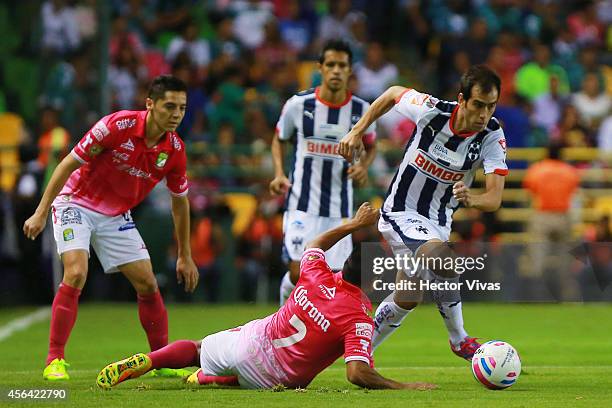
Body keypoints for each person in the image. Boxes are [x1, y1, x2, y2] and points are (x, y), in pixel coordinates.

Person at [96, 203, 436, 391]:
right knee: (233, 379)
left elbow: (314, 245)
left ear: (345, 264)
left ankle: (151, 360)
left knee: (198, 350)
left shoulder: (316, 272)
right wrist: (406, 387)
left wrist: (352, 225)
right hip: (276, 380)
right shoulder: (358, 317)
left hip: (253, 342)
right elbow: (357, 373)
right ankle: (212, 380)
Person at [23, 75, 199, 380]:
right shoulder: (117, 126)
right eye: (169, 106)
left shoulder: (174, 150)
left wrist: (185, 254)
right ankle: (55, 360)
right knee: (76, 272)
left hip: (116, 215)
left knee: (147, 283)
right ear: (150, 104)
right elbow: (67, 164)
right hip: (75, 202)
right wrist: (40, 212)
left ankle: (160, 360)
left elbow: (180, 203)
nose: (176, 114)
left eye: (181, 108)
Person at [339, 65, 508, 361]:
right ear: (462, 100)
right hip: (401, 212)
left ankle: (359, 353)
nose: (484, 114)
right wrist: (357, 130)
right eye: (478, 105)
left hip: (438, 221)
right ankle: (460, 339)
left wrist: (473, 198)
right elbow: (392, 94)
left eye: (491, 106)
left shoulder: (492, 136)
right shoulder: (432, 111)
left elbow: (494, 199)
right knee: (443, 259)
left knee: (407, 297)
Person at [269, 39, 377, 305]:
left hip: (339, 211)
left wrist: (363, 166)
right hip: (302, 205)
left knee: (334, 279)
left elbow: (371, 145)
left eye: (342, 65)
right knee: (298, 273)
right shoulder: (298, 105)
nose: (336, 70)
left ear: (350, 70)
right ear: (321, 68)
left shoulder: (361, 111)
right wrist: (279, 173)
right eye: (331, 64)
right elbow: (280, 137)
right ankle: (281, 317)